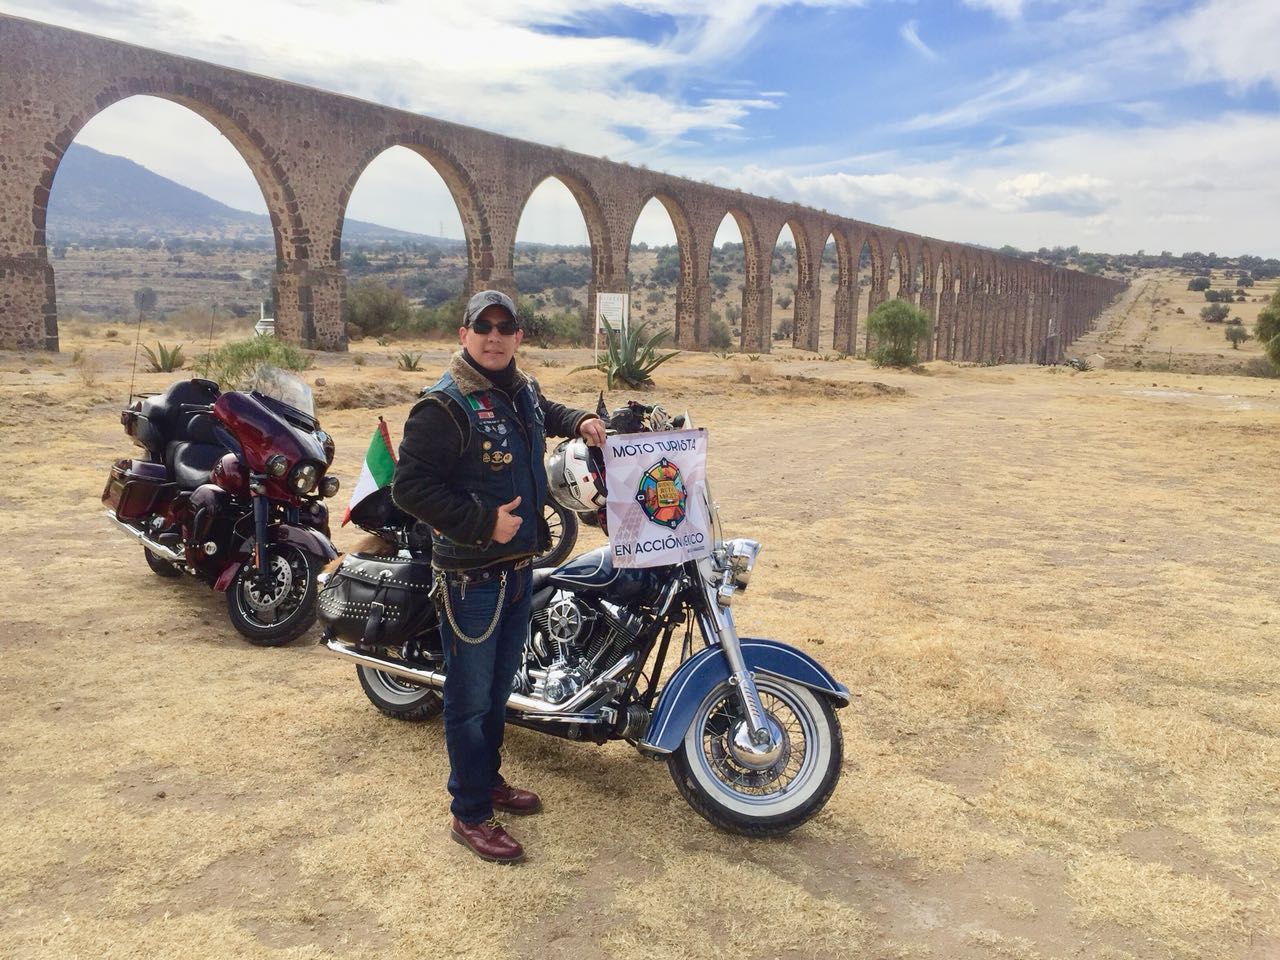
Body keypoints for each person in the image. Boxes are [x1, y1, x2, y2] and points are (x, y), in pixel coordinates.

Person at [391, 289, 606, 864]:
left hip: (517, 569)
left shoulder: (520, 388)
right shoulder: (445, 406)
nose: (493, 335)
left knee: (496, 692)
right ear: (463, 335)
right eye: (481, 326)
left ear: (518, 337)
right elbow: (410, 489)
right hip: (471, 577)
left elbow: (545, 412)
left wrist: (580, 420)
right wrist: (485, 523)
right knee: (467, 699)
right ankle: (469, 812)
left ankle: (488, 782)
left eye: (503, 326)